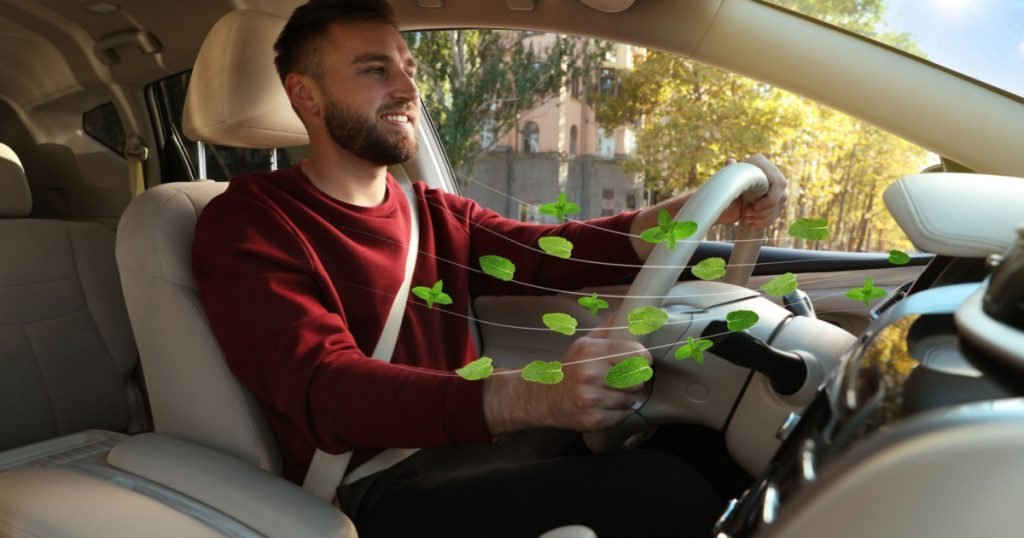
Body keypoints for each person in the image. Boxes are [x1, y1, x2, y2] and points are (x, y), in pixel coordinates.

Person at [192, 1, 788, 536]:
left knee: (706, 450)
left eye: (409, 69)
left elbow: (552, 251)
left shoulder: (430, 212)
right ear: (306, 95)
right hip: (375, 492)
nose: (406, 88)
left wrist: (688, 213)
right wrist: (530, 398)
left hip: (475, 451)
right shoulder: (248, 222)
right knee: (669, 492)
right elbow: (328, 387)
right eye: (376, 71)